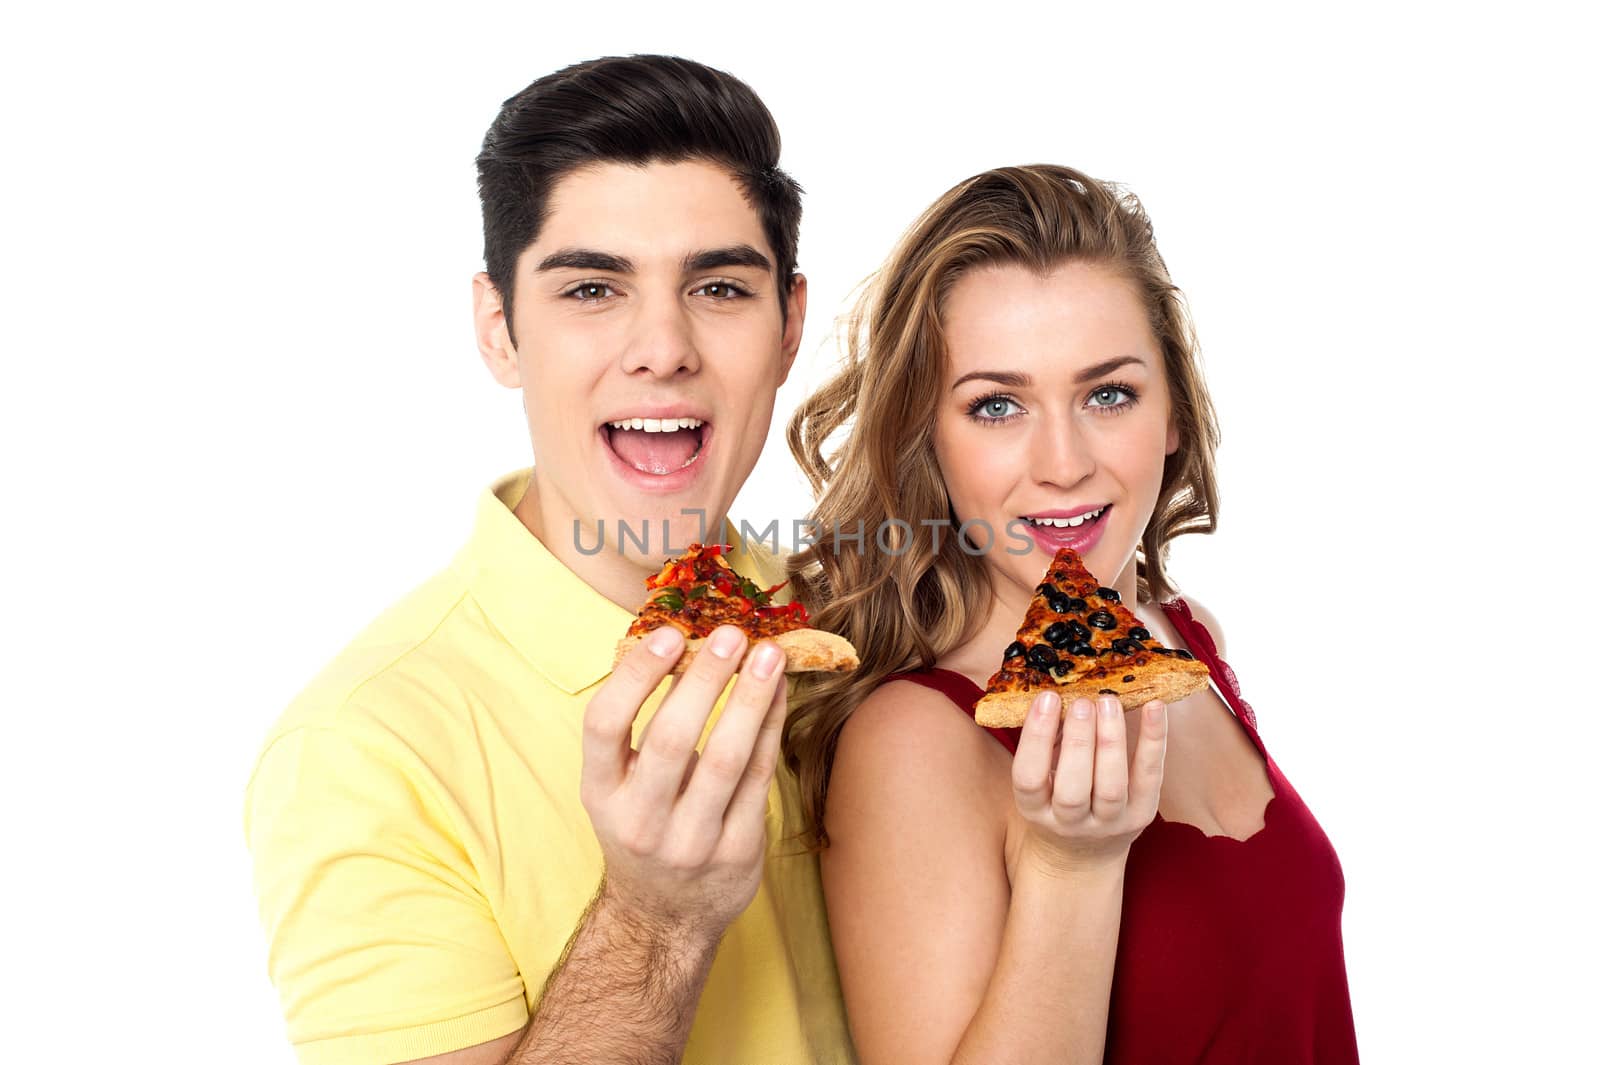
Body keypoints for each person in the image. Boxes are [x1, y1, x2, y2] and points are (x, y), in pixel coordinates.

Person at [244, 55, 855, 1065]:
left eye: (717, 286)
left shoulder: (864, 627)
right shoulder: (361, 752)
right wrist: (655, 917)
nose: (663, 346)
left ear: (789, 326)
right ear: (499, 330)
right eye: (590, 289)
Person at [783, 164, 1358, 1063]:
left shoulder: (1186, 637)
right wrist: (1072, 865)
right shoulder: (914, 741)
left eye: (1108, 394)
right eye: (997, 406)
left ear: (1173, 414)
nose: (1062, 462)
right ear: (926, 440)